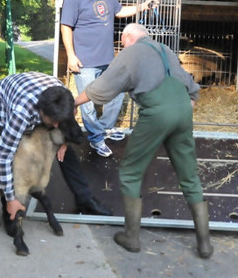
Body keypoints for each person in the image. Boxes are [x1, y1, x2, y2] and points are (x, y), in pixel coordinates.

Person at [74, 23, 214, 259]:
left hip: (157, 113)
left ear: (127, 37)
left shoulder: (132, 52)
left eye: (121, 42)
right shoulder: (165, 49)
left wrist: (74, 103)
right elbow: (192, 89)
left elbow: (103, 86)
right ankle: (205, 243)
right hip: (183, 111)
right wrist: (179, 110)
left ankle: (131, 237)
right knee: (189, 175)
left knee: (130, 171)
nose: (121, 46)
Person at [0, 71, 112, 230]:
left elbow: (68, 122)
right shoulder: (20, 114)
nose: (56, 126)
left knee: (66, 154)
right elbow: (4, 157)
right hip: (6, 97)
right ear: (41, 112)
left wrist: (64, 143)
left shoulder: (64, 100)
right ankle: (9, 209)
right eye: (53, 121)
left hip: (39, 91)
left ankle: (85, 199)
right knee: (16, 159)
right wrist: (11, 198)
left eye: (59, 121)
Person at [61, 0, 158, 157]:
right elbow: (66, 26)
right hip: (85, 61)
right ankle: (96, 138)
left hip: (107, 58)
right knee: (87, 101)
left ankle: (104, 127)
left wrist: (143, 6)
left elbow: (119, 11)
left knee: (118, 91)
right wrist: (71, 55)